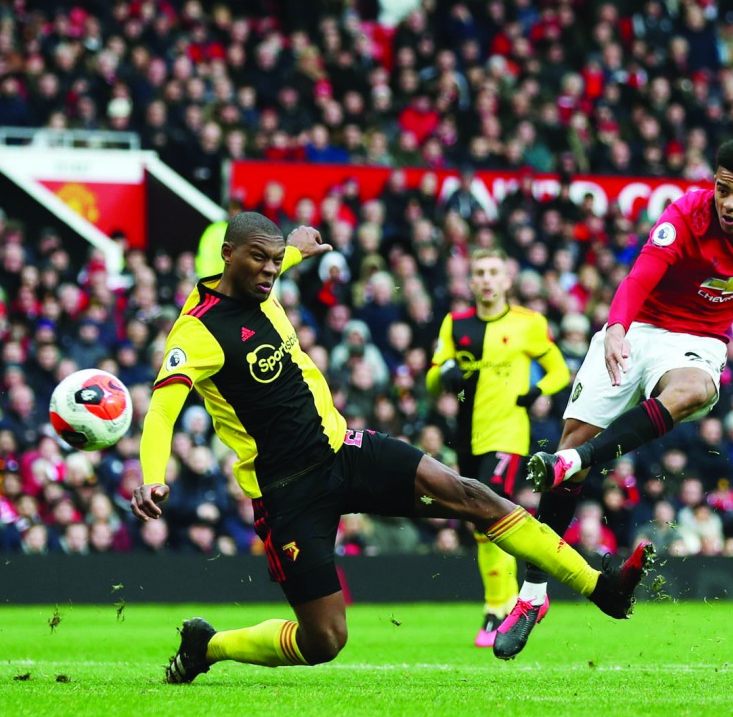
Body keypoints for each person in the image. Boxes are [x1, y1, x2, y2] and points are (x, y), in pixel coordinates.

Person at [131, 212, 652, 684]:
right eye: (259, 260)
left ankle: (600, 588)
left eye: (274, 261)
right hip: (288, 491)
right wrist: (153, 474)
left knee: (474, 496)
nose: (270, 271)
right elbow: (161, 410)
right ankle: (209, 645)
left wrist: (296, 246)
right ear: (227, 255)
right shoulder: (197, 331)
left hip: (344, 449)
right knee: (325, 640)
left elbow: (276, 252)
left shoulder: (264, 279)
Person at [497, 137, 733, 659]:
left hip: (697, 342)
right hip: (638, 327)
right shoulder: (685, 214)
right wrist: (614, 328)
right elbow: (640, 276)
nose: (728, 203)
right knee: (573, 455)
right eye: (722, 189)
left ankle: (575, 461)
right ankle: (534, 594)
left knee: (695, 388)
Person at [426, 247, 570, 647]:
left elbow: (560, 370)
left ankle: (501, 607)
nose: (487, 279)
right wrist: (444, 375)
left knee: (490, 511)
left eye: (494, 272)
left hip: (507, 434)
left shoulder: (529, 323)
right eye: (480, 273)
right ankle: (510, 602)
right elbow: (431, 379)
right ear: (470, 282)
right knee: (480, 522)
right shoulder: (455, 325)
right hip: (467, 437)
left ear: (506, 280)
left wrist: (536, 391)